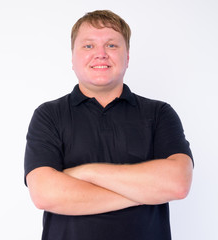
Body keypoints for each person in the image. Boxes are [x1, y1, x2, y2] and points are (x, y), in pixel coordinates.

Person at [24, 10, 193, 240]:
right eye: (89, 46)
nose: (101, 54)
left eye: (112, 45)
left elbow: (177, 183)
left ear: (128, 57)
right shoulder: (48, 115)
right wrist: (146, 192)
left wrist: (86, 172)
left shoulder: (159, 113)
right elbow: (46, 194)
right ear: (72, 58)